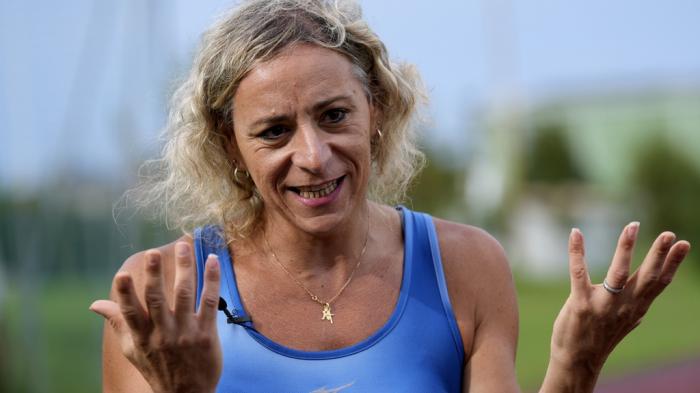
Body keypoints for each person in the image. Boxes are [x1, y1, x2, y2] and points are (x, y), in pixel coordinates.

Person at [89, 1, 691, 392]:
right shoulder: (161, 296)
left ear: (376, 109)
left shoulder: (465, 266)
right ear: (229, 145)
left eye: (334, 115)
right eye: (274, 130)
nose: (314, 155)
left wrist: (576, 364)